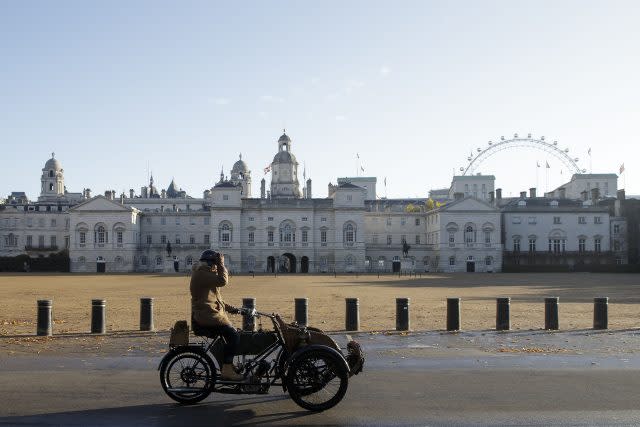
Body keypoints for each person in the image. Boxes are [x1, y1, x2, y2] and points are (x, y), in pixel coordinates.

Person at [190, 249, 243, 381]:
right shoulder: (201, 274)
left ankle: (227, 365)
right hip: (207, 316)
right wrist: (222, 264)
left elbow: (215, 298)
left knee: (231, 335)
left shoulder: (205, 273)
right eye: (215, 264)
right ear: (211, 263)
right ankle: (227, 370)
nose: (215, 266)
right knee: (234, 336)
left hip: (209, 314)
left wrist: (233, 309)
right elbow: (223, 281)